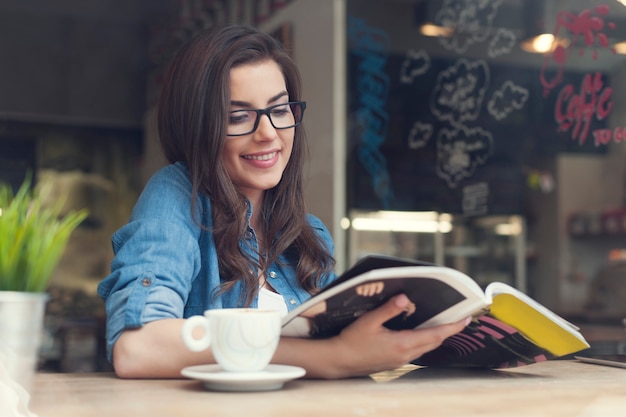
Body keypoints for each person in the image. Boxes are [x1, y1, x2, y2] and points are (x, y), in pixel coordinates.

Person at [97, 24, 470, 379]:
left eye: (279, 110)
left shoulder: (311, 235)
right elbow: (137, 347)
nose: (268, 133)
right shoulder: (178, 195)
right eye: (239, 116)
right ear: (197, 125)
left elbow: (345, 347)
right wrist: (332, 359)